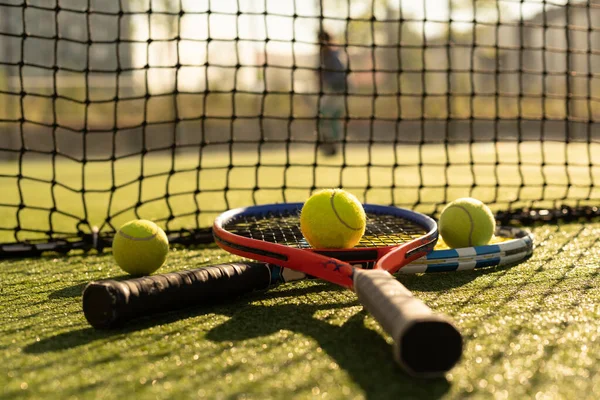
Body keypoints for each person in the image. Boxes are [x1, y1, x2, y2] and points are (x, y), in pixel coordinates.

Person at [316, 30, 347, 156]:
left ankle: (332, 144)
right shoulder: (325, 55)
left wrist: (325, 77)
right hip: (334, 90)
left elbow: (340, 75)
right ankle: (330, 144)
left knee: (328, 115)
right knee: (327, 116)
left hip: (338, 89)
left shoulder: (332, 55)